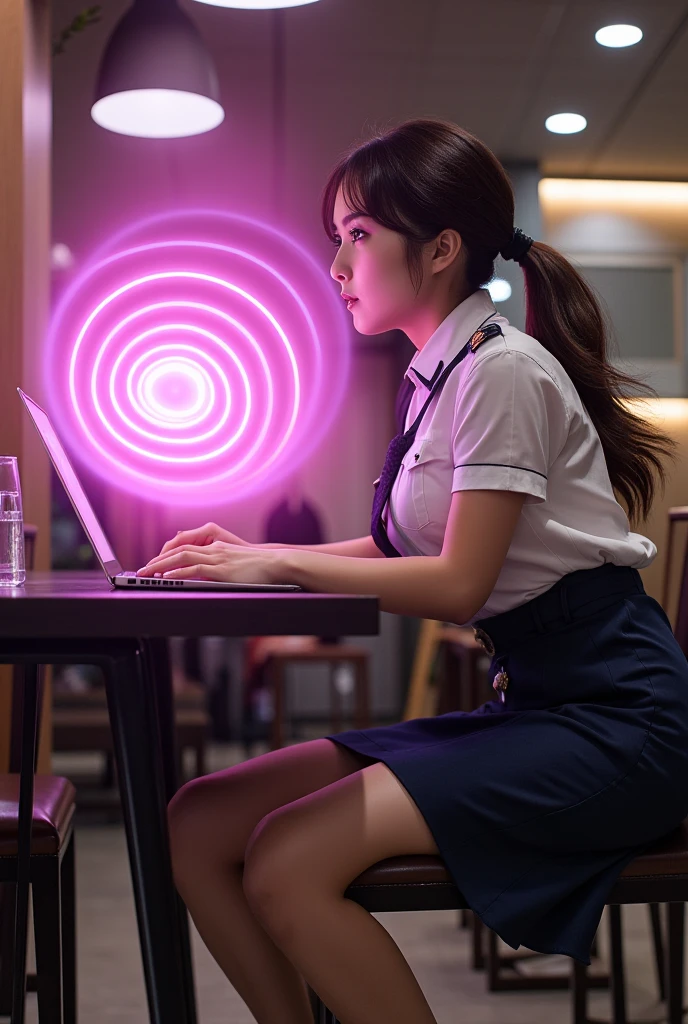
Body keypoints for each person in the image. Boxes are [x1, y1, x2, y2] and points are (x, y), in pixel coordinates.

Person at [136, 119, 688, 1024]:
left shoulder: (501, 371)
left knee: (288, 857)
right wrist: (245, 559)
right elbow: (402, 552)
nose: (337, 265)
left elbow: (458, 584)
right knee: (200, 819)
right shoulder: (441, 373)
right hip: (539, 701)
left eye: (358, 237)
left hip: (617, 721)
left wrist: (274, 559)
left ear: (440, 249)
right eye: (337, 240)